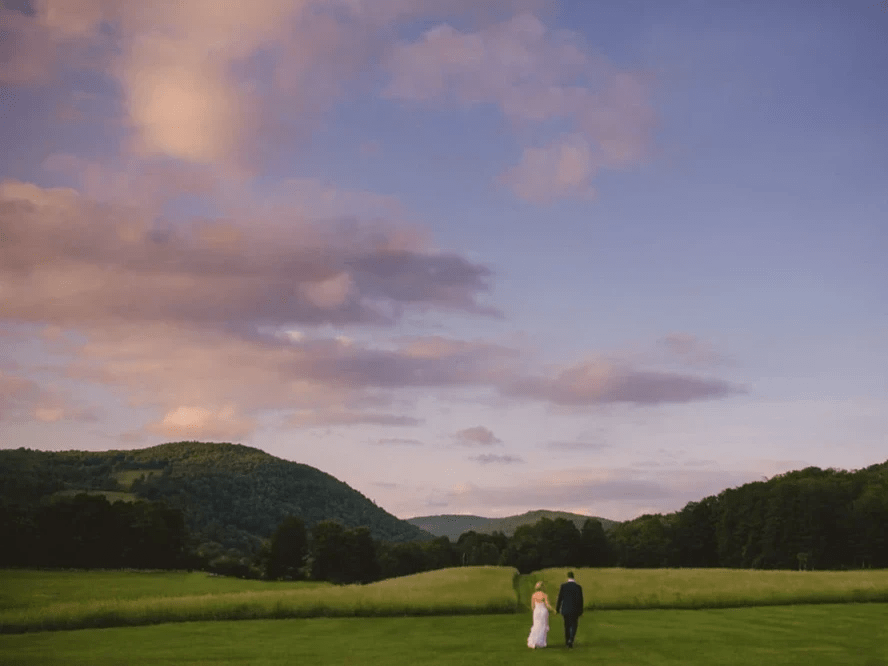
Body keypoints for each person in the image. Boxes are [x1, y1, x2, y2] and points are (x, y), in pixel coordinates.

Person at [555, 571, 584, 648]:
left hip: (566, 609)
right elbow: (580, 600)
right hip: (575, 609)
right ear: (573, 577)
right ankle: (571, 639)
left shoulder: (563, 586)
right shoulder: (578, 587)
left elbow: (560, 598)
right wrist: (581, 610)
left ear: (567, 577)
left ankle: (567, 640)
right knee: (574, 625)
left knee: (566, 625)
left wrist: (557, 609)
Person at [526, 581, 555, 649]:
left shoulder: (534, 595)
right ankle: (540, 642)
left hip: (536, 611)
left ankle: (533, 641)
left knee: (536, 625)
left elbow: (532, 606)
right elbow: (547, 605)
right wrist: (553, 610)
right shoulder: (544, 595)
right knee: (542, 626)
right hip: (543, 611)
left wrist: (535, 611)